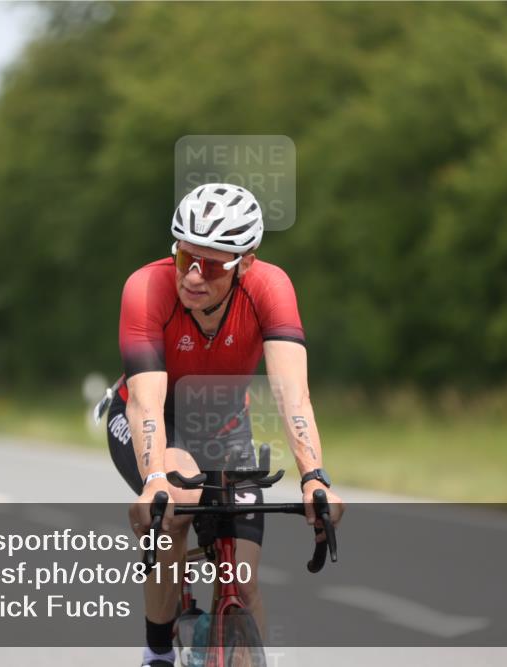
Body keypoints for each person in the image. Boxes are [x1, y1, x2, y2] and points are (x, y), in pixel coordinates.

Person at [105, 183, 345, 667]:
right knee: (174, 506)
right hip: (151, 420)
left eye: (211, 265)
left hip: (224, 426)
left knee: (244, 579)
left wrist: (314, 476)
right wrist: (153, 481)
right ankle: (157, 652)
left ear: (246, 262)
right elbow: (148, 404)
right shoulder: (146, 288)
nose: (193, 276)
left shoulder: (270, 289)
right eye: (184, 258)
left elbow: (292, 394)